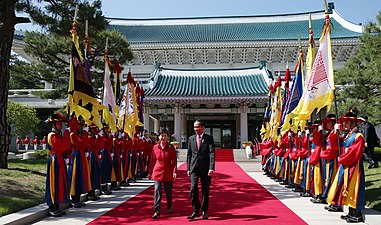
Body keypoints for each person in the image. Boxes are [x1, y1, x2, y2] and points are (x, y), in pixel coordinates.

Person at [327, 111, 366, 223]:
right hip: (346, 164)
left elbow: (354, 153)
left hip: (354, 165)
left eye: (346, 123)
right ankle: (350, 212)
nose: (344, 125)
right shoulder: (347, 135)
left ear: (353, 123)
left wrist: (342, 159)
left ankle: (357, 213)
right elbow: (334, 143)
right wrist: (335, 131)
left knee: (354, 188)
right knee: (346, 187)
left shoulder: (359, 136)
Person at [187, 120, 215, 220]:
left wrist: (211, 168)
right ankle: (195, 210)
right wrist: (188, 168)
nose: (195, 129)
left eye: (197, 127)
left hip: (205, 168)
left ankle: (204, 210)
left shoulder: (209, 138)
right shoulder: (191, 139)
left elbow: (211, 154)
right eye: (194, 127)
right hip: (194, 167)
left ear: (203, 127)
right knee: (193, 189)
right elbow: (189, 154)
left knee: (205, 190)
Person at [45, 113, 70, 217]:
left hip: (59, 159)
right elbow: (61, 146)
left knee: (59, 183)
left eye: (61, 124)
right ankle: (52, 206)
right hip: (55, 160)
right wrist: (67, 133)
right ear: (54, 125)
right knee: (54, 183)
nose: (61, 125)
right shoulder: (52, 135)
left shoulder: (58, 134)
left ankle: (57, 205)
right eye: (59, 124)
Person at [148, 129, 177, 219]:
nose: (163, 137)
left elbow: (174, 161)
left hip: (168, 172)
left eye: (165, 136)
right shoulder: (155, 147)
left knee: (168, 192)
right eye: (162, 136)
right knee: (157, 191)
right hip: (157, 172)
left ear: (168, 137)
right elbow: (152, 161)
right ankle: (157, 210)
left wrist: (174, 172)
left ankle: (169, 206)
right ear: (159, 137)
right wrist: (149, 172)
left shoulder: (171, 148)